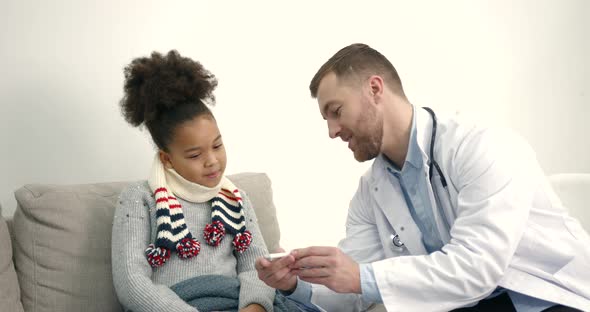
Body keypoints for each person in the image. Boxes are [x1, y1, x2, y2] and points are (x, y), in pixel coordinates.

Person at [255, 43, 590, 312]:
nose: (331, 131)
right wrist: (294, 284)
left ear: (374, 89)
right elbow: (354, 290)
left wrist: (361, 276)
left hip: (548, 297)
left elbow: (477, 268)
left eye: (336, 111)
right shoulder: (370, 192)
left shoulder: (481, 145)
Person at [111, 50, 297, 312]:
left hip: (237, 304)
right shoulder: (140, 199)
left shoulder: (236, 199)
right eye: (195, 155)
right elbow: (132, 283)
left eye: (217, 145)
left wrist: (254, 307)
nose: (212, 161)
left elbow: (256, 265)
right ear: (167, 159)